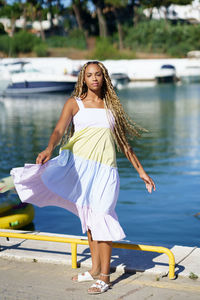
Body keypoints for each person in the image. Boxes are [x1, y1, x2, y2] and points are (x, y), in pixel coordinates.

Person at [11, 61, 155, 295]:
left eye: (98, 74)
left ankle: (106, 277)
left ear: (104, 78)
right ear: (83, 79)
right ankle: (96, 270)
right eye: (90, 75)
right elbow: (58, 130)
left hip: (106, 172)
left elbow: (124, 144)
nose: (94, 78)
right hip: (80, 170)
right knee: (89, 219)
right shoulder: (74, 104)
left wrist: (141, 171)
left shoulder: (111, 107)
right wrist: (49, 148)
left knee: (102, 217)